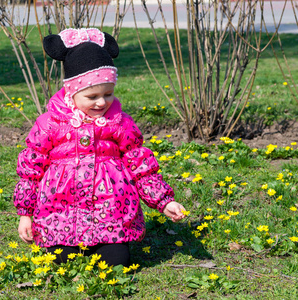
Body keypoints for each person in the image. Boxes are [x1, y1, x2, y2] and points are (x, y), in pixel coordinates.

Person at [13, 28, 186, 267]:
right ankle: (67, 243)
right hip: (62, 211)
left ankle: (107, 244)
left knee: (117, 262)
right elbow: (31, 171)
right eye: (92, 96)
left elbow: (141, 166)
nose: (102, 102)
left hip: (110, 211)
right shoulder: (49, 124)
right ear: (71, 93)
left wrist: (164, 201)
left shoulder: (120, 123)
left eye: (108, 94)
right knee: (61, 260)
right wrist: (25, 214)